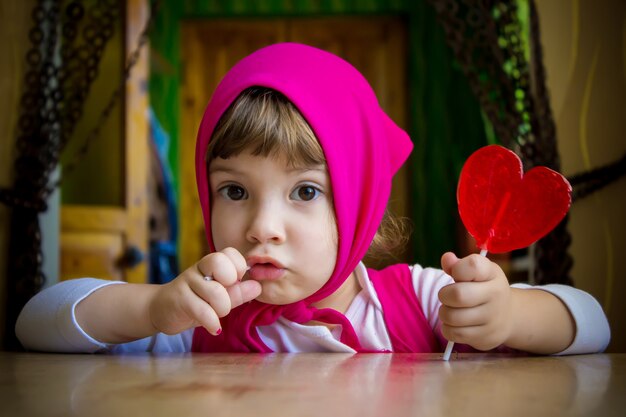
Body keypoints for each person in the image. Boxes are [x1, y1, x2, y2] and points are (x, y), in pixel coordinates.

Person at [16, 43, 610, 354]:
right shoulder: (194, 317)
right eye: (234, 190)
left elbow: (592, 324)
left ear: (360, 203)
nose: (261, 226)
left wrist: (507, 317)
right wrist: (150, 311)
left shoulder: (426, 301)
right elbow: (33, 324)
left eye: (304, 190)